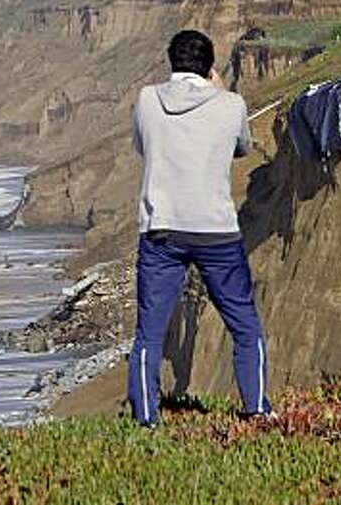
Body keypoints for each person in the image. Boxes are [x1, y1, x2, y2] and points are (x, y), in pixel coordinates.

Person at [126, 29, 271, 428]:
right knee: (244, 322)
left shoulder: (146, 99)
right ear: (210, 67)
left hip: (162, 228)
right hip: (216, 231)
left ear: (171, 62)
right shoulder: (231, 104)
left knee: (149, 332)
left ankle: (145, 418)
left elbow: (142, 145)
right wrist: (220, 92)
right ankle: (256, 408)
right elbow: (241, 148)